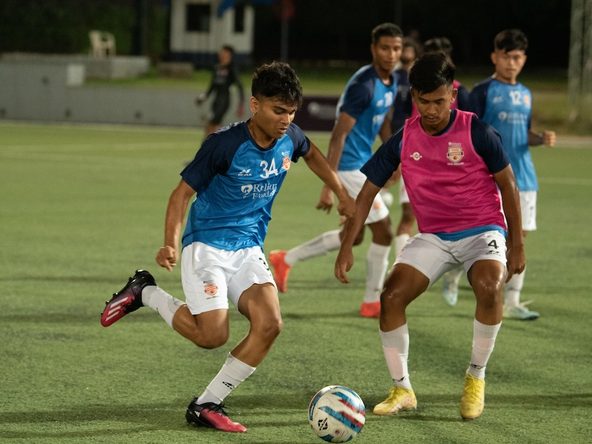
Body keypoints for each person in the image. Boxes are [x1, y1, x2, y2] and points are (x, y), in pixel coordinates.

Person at [100, 62, 356, 433]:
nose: (285, 119)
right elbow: (180, 195)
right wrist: (169, 243)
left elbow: (312, 154)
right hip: (207, 246)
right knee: (212, 336)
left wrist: (341, 194)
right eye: (277, 110)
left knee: (270, 325)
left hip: (249, 247)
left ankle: (206, 403)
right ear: (254, 105)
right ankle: (147, 292)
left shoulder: (291, 136)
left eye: (291, 111)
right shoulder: (224, 144)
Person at [335, 53, 525, 420]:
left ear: (452, 95)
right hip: (434, 236)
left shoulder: (477, 131)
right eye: (424, 101)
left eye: (440, 100)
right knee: (390, 297)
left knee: (489, 286)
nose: (433, 109)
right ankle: (402, 388)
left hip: (481, 230)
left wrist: (517, 244)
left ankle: (476, 376)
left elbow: (509, 186)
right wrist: (346, 246)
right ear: (415, 98)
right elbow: (367, 192)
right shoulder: (404, 138)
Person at [268, 23, 403, 319]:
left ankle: (284, 259)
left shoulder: (390, 80)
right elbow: (339, 135)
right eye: (385, 48)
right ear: (373, 49)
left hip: (362, 164)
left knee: (352, 236)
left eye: (396, 48)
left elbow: (382, 120)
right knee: (384, 231)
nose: (391, 54)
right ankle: (372, 301)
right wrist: (330, 185)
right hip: (348, 167)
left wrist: (393, 155)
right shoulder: (363, 86)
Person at [448, 29, 556, 319]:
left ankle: (511, 302)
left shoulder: (526, 94)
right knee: (491, 236)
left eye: (517, 57)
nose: (511, 63)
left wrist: (540, 138)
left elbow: (523, 134)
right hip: (490, 177)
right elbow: (467, 131)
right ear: (495, 57)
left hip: (525, 177)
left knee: (520, 237)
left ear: (524, 59)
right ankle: (461, 273)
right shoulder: (482, 92)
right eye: (506, 57)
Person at [195, 45, 245, 137]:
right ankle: (211, 145)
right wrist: (203, 97)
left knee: (212, 123)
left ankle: (210, 146)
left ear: (229, 54)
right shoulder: (217, 68)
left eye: (223, 52)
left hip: (224, 101)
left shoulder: (232, 68)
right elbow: (211, 87)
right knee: (212, 126)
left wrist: (241, 104)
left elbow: (240, 86)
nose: (220, 54)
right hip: (216, 101)